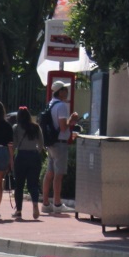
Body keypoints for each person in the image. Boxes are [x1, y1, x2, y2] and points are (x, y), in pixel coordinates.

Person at [41, 81, 78, 214]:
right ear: (60, 92)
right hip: (60, 143)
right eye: (65, 89)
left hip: (51, 143)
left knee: (49, 173)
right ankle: (57, 203)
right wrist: (72, 119)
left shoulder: (50, 104)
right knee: (58, 174)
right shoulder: (61, 106)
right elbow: (63, 127)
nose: (67, 92)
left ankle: (45, 203)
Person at [10, 106, 43, 221]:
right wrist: (35, 152)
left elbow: (13, 145)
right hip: (34, 156)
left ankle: (18, 211)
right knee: (33, 184)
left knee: (19, 185)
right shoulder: (36, 127)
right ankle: (35, 203)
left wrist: (12, 157)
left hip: (21, 156)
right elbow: (41, 144)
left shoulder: (16, 127)